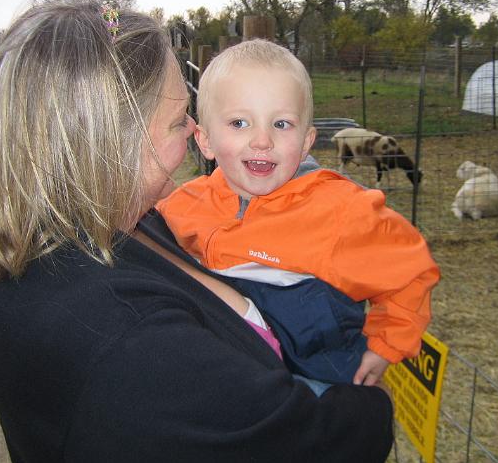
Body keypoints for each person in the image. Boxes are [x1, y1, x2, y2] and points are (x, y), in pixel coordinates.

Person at [0, 0, 394, 463]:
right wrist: (375, 406)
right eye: (178, 120)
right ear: (112, 141)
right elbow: (314, 441)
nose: (195, 129)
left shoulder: (110, 226)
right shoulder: (126, 342)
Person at [157, 39, 441, 393]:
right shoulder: (184, 206)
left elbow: (411, 271)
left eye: (281, 124)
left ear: (307, 141)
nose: (262, 140)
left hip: (318, 379)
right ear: (205, 140)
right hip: (234, 374)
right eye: (240, 122)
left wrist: (387, 344)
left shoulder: (341, 211)